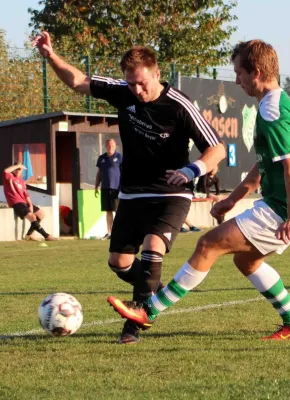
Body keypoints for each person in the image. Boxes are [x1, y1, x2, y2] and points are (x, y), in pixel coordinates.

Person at [108, 39, 290, 341]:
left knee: (208, 244)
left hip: (284, 209)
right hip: (289, 205)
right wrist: (232, 200)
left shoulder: (272, 111)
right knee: (247, 261)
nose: (237, 80)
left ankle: (147, 312)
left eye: (239, 73)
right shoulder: (280, 102)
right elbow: (265, 165)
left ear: (256, 72)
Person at [33, 32, 225, 344]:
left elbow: (216, 148)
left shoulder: (179, 105)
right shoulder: (122, 92)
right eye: (131, 83)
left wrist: (191, 170)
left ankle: (134, 324)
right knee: (118, 263)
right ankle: (154, 289)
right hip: (132, 193)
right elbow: (78, 81)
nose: (136, 89)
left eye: (142, 83)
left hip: (171, 192)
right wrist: (50, 56)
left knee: (152, 247)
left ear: (157, 74)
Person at [3, 164, 58, 241]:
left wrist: (30, 204)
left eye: (20, 169)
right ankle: (47, 236)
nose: (18, 170)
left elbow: (26, 194)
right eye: (17, 169)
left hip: (24, 202)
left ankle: (29, 234)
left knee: (41, 214)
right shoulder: (10, 177)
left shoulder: (21, 180)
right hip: (16, 203)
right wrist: (18, 165)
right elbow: (5, 171)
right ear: (14, 169)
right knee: (32, 217)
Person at [95, 139, 122, 239]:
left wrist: (123, 186)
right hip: (105, 188)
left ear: (115, 146)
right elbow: (99, 173)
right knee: (108, 210)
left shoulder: (119, 157)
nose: (110, 147)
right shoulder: (101, 158)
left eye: (112, 145)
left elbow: (124, 172)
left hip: (116, 188)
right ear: (105, 146)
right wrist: (96, 186)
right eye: (109, 145)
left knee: (117, 211)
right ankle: (109, 232)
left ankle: (118, 232)